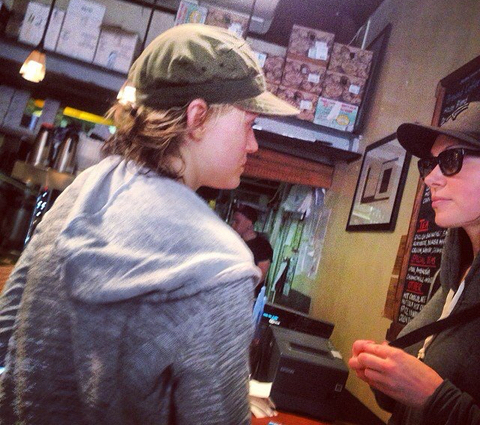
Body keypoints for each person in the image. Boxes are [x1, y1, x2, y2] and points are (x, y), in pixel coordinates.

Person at [0, 24, 298, 424]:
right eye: (249, 124)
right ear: (197, 117)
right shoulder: (221, 265)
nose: (253, 144)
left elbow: (8, 327)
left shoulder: (84, 188)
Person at [349, 101, 480, 425]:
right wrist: (388, 377)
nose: (430, 178)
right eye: (429, 164)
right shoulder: (450, 276)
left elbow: (431, 396)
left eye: (451, 159)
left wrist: (433, 397)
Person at [231, 205, 273, 296]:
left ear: (249, 224)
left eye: (237, 221)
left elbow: (260, 275)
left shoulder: (263, 246)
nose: (233, 225)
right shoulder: (234, 242)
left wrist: (239, 290)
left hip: (248, 296)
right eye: (233, 221)